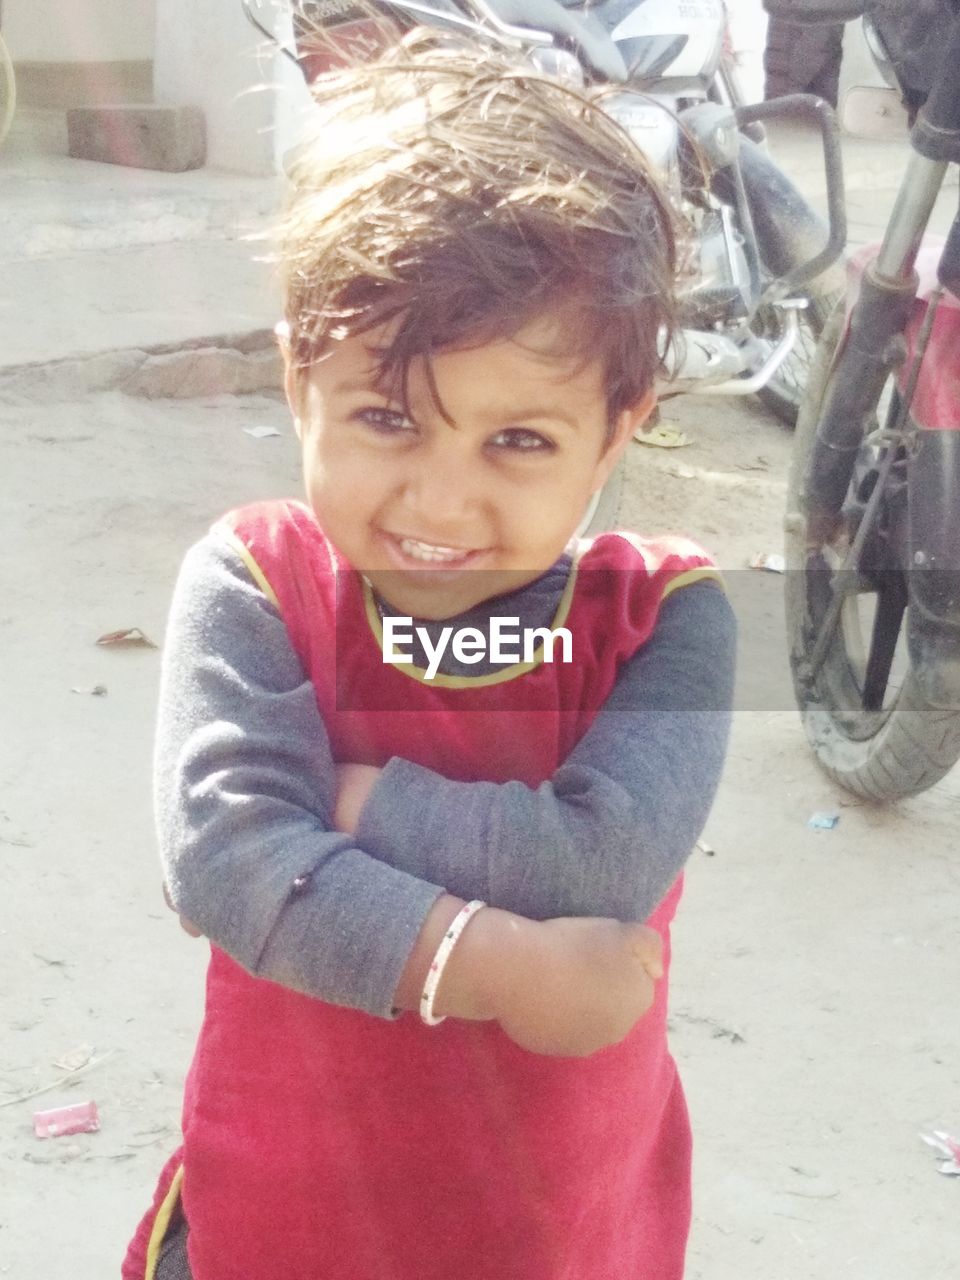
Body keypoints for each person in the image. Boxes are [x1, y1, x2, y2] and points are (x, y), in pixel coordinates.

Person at [123, 33, 735, 1280]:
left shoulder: (671, 616)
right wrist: (493, 961)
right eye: (386, 418)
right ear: (300, 379)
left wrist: (353, 809)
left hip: (558, 1231)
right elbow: (227, 860)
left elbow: (602, 857)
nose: (438, 506)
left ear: (622, 426)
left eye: (518, 439)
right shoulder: (254, 582)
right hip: (278, 1224)